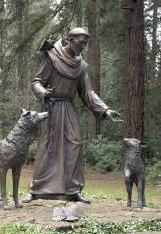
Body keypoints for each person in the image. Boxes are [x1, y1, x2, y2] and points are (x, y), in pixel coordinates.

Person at [25, 27, 122, 203]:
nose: (83, 46)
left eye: (86, 43)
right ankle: (36, 189)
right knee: (47, 146)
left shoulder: (81, 66)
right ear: (71, 39)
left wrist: (106, 110)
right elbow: (36, 81)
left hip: (68, 108)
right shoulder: (52, 56)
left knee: (75, 144)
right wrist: (43, 92)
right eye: (81, 41)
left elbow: (88, 93)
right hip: (51, 107)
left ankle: (72, 189)